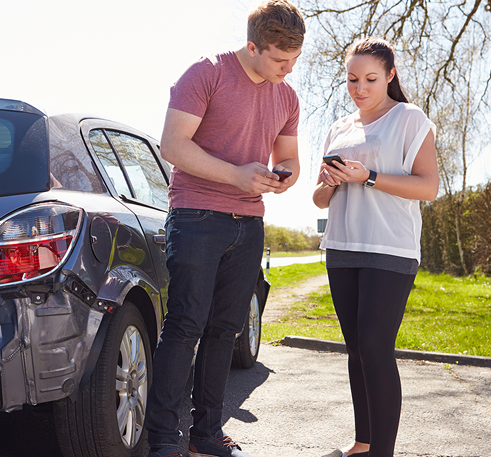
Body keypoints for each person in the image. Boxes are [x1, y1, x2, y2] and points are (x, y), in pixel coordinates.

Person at [144, 2, 306, 456]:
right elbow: (173, 145)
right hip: (197, 215)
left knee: (226, 329)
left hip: (250, 221)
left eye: (294, 60)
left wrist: (284, 175)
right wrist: (236, 175)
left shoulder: (286, 96)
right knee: (186, 324)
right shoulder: (206, 74)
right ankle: (161, 440)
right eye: (279, 60)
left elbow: (290, 157)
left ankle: (207, 436)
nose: (288, 69)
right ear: (252, 46)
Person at [313, 37, 439, 457]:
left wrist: (368, 176)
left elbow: (428, 187)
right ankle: (362, 444)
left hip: (391, 248)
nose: (359, 87)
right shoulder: (339, 127)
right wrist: (330, 183)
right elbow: (318, 198)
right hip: (342, 246)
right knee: (356, 348)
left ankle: (381, 452)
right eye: (352, 79)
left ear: (390, 75)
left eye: (369, 78)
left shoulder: (409, 118)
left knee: (373, 343)